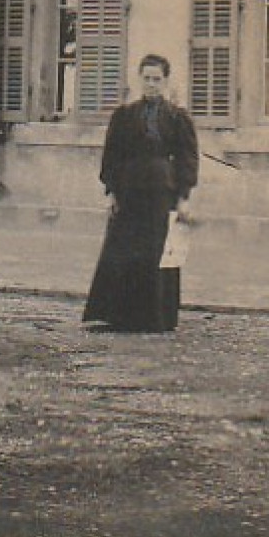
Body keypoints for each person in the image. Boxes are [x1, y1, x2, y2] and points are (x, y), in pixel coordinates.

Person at [83, 54, 199, 333]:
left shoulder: (176, 118)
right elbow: (112, 156)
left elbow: (188, 158)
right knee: (124, 250)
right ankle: (120, 317)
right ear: (139, 79)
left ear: (166, 81)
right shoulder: (124, 117)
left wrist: (183, 198)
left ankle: (156, 318)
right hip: (129, 191)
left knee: (158, 253)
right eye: (146, 79)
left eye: (156, 79)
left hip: (162, 192)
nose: (151, 84)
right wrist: (112, 193)